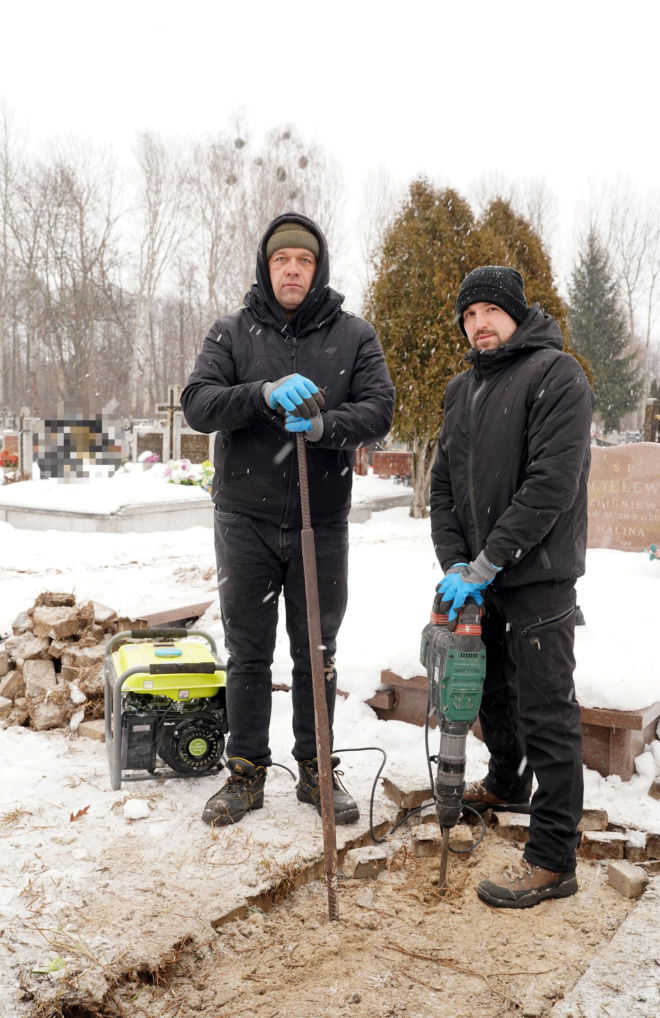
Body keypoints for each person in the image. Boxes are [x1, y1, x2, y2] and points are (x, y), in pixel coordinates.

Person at [181, 212, 395, 827]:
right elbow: (199, 404)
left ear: (318, 267)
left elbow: (378, 409)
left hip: (320, 519)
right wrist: (263, 393)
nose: (292, 270)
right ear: (266, 267)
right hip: (244, 518)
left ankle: (317, 769)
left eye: (303, 260)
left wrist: (329, 427)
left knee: (317, 649)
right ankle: (246, 771)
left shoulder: (354, 336)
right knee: (249, 650)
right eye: (282, 260)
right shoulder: (231, 333)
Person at [430, 265, 593, 909]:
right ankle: (504, 781)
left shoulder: (557, 375)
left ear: (516, 314)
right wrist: (456, 564)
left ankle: (554, 858)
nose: (479, 325)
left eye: (490, 311)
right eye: (469, 317)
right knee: (488, 689)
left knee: (547, 713)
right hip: (477, 579)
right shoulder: (460, 389)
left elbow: (552, 483)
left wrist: (493, 558)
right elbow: (441, 486)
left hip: (538, 577)